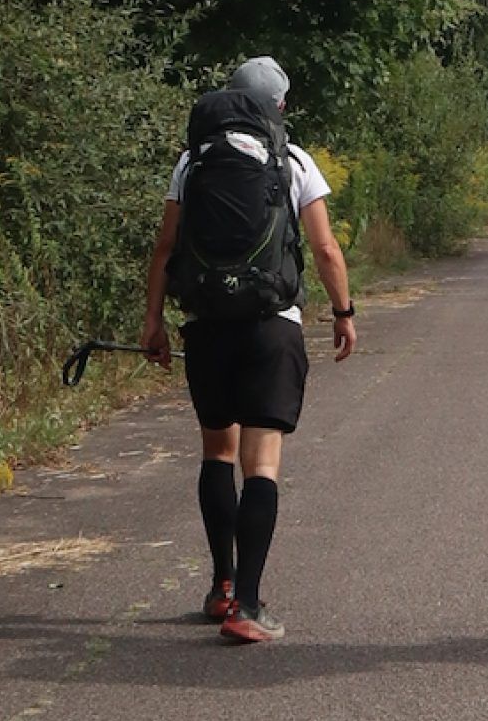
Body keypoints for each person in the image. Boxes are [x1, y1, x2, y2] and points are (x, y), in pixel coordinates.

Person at [140, 56, 356, 644]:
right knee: (261, 464)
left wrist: (154, 320)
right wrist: (343, 312)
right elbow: (326, 248)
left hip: (208, 324)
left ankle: (221, 588)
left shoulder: (194, 159)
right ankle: (250, 608)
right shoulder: (294, 160)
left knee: (217, 454)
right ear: (279, 107)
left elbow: (165, 247)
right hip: (271, 325)